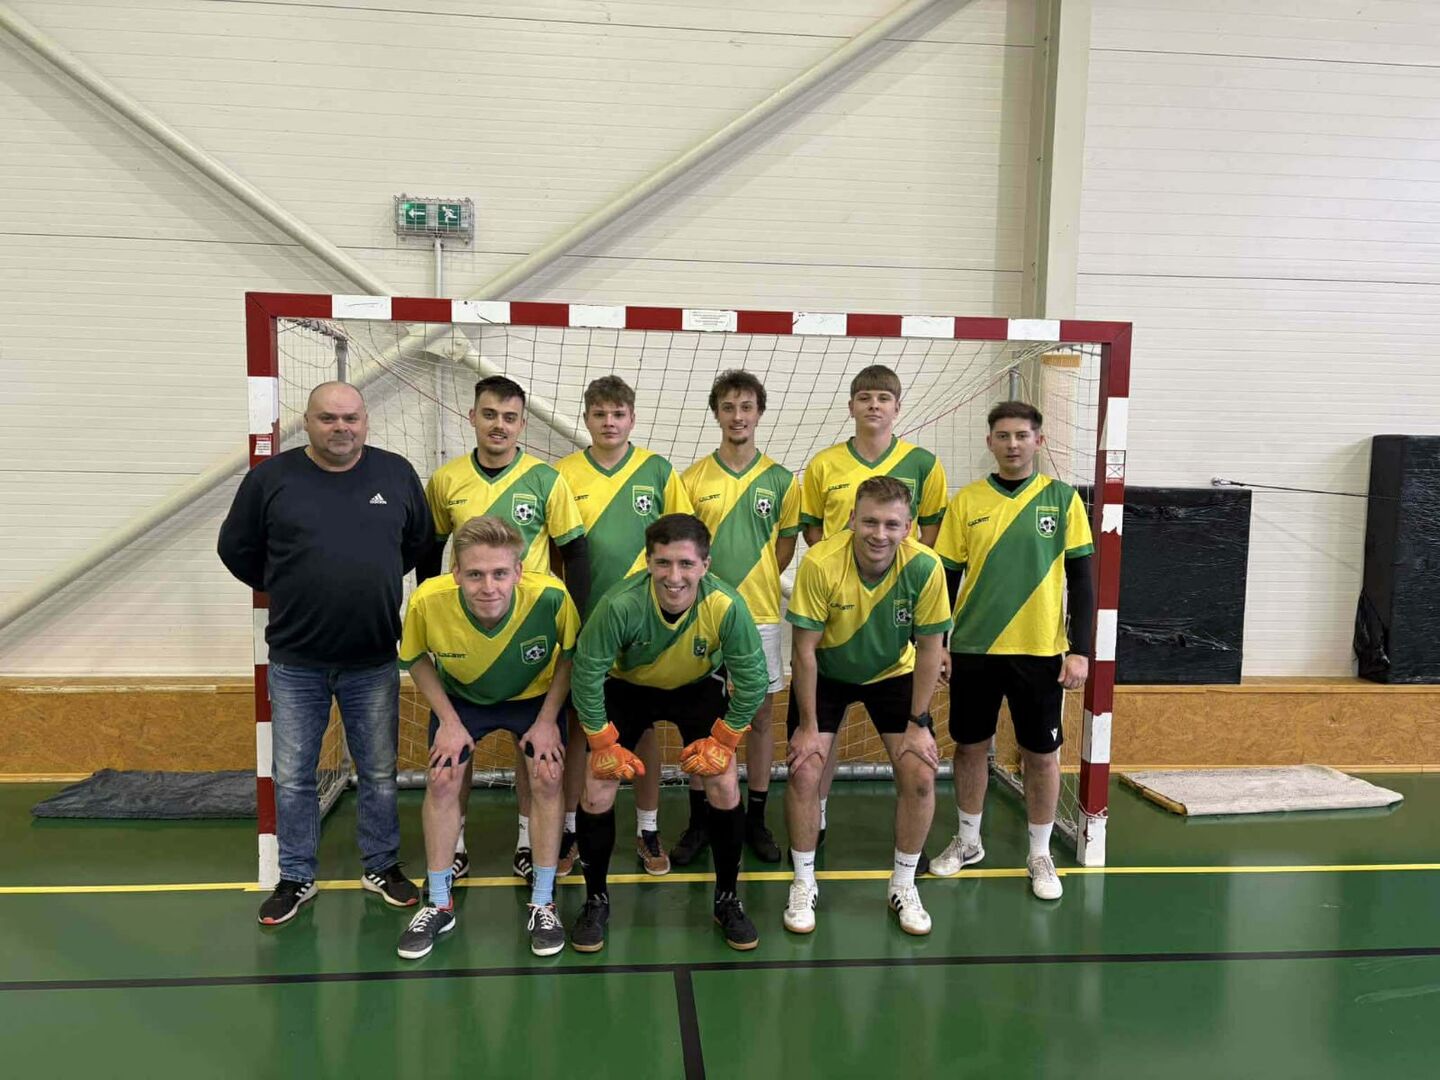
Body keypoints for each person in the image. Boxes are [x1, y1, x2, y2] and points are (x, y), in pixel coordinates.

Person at [219, 381, 429, 925]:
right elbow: (235, 548)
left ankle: (381, 865)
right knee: (293, 776)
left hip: (373, 658)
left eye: (351, 418)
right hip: (297, 661)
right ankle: (296, 876)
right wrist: (287, 582)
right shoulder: (271, 479)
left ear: (366, 421)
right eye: (328, 418)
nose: (341, 428)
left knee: (378, 771)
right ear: (308, 422)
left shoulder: (396, 474)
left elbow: (418, 544)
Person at [569, 514, 769, 952]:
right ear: (648, 562)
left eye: (685, 564)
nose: (673, 576)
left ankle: (727, 898)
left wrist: (725, 739)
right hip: (628, 689)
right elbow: (586, 675)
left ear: (705, 565)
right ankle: (595, 900)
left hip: (696, 687)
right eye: (663, 563)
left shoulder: (727, 605)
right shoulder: (619, 604)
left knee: (723, 781)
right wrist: (601, 741)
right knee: (597, 786)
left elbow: (754, 679)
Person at [418, 376, 589, 888]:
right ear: (472, 417)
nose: (499, 425)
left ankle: (525, 842)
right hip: (468, 630)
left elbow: (575, 552)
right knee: (455, 748)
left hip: (530, 633)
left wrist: (574, 621)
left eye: (510, 417)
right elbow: (430, 548)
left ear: (522, 424)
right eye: (490, 414)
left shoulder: (546, 480)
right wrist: (434, 610)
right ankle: (455, 846)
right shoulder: (446, 479)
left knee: (534, 750)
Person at [927, 401, 1095, 901]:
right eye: (1003, 436)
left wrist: (1081, 650)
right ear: (990, 443)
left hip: (1039, 652)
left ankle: (1040, 853)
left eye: (1022, 435)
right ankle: (968, 840)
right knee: (970, 747)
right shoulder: (967, 501)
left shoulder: (1062, 500)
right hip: (974, 649)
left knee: (1041, 755)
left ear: (1039, 441)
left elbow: (1083, 580)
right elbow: (945, 579)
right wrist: (940, 645)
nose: (1013, 444)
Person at [394, 516, 579, 959]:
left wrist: (547, 720)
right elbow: (415, 659)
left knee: (548, 775)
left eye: (499, 573)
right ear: (456, 572)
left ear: (518, 572)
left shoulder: (552, 597)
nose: (488, 587)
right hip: (462, 700)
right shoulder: (427, 600)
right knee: (442, 779)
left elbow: (571, 656)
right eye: (475, 574)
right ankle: (439, 903)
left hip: (532, 698)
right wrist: (448, 720)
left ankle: (543, 900)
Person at [783, 477, 951, 936]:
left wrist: (919, 722)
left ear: (908, 527)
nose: (880, 534)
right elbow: (803, 651)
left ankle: (904, 884)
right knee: (804, 770)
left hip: (893, 674)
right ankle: (803, 882)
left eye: (892, 524)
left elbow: (930, 648)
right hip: (827, 672)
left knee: (920, 772)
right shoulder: (820, 563)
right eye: (870, 522)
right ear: (852, 519)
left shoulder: (925, 567)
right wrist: (809, 726)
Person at [798, 365, 948, 850]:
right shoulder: (824, 464)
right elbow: (813, 531)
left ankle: (906, 869)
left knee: (916, 763)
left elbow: (930, 533)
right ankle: (817, 817)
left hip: (893, 635)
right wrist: (843, 575)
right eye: (864, 398)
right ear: (851, 406)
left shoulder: (923, 463)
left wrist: (893, 579)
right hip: (833, 621)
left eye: (883, 398)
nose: (874, 405)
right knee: (817, 746)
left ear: (897, 407)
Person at [554, 376, 693, 876]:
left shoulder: (657, 470)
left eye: (618, 414)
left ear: (632, 418)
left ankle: (648, 829)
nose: (609, 423)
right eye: (599, 414)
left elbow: (682, 540)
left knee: (643, 729)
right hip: (585, 621)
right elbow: (554, 549)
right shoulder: (563, 474)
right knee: (580, 728)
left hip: (645, 624)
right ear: (586, 419)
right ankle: (570, 830)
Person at [675, 370, 799, 865]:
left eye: (746, 407)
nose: (738, 416)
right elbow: (686, 551)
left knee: (761, 717)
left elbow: (785, 547)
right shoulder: (692, 479)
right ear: (716, 413)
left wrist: (757, 581)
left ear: (759, 413)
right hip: (702, 616)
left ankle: (756, 817)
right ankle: (700, 819)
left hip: (761, 613)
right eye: (728, 407)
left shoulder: (782, 480)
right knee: (700, 719)